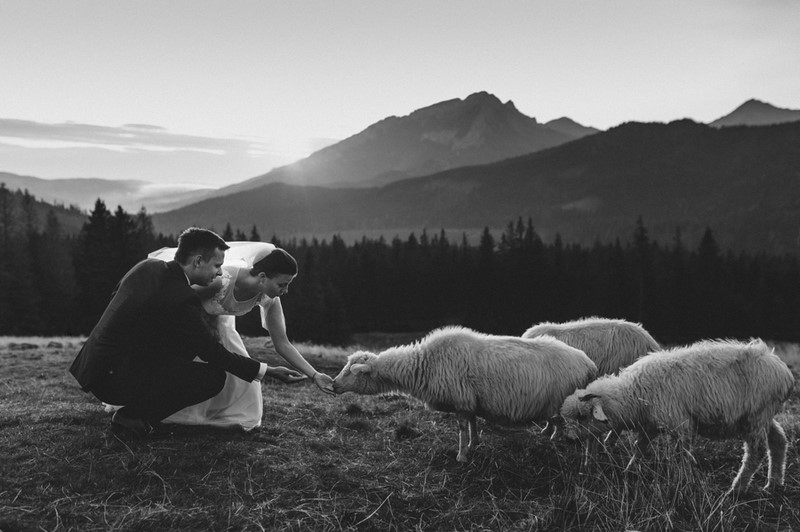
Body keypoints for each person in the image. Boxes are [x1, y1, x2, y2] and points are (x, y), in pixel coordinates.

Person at [69, 227, 306, 437]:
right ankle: (133, 417)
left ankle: (137, 408)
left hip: (97, 368)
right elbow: (212, 352)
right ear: (197, 261)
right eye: (216, 265)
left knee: (179, 358)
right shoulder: (182, 297)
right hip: (116, 377)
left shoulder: (147, 267)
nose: (221, 273)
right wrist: (268, 371)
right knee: (212, 378)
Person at [146, 240, 335, 431]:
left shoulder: (270, 299)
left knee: (243, 390)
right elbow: (175, 304)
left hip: (224, 335)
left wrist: (315, 374)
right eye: (282, 284)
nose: (285, 291)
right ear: (262, 277)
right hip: (191, 333)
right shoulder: (218, 281)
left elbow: (283, 344)